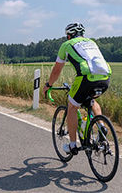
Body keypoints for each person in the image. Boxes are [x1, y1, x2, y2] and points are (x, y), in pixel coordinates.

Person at [43, 22, 111, 155]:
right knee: (92, 102)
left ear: (69, 36)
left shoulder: (66, 45)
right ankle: (101, 126)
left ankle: (73, 145)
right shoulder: (91, 42)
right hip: (105, 77)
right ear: (82, 35)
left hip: (86, 77)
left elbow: (57, 70)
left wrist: (48, 85)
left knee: (72, 107)